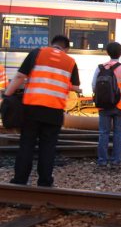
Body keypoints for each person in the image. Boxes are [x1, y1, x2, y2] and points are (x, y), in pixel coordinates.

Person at [4, 35, 80, 187]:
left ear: (51, 44)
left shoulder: (37, 53)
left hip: (32, 108)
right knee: (48, 147)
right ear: (66, 49)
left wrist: (6, 95)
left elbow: (20, 76)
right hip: (55, 111)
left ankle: (20, 180)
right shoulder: (70, 61)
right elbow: (76, 87)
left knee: (27, 144)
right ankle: (45, 181)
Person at [92, 42, 121, 167]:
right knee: (118, 134)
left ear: (107, 53)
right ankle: (116, 160)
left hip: (104, 105)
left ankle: (102, 160)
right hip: (120, 107)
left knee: (103, 133)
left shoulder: (100, 68)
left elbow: (94, 86)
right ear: (120, 53)